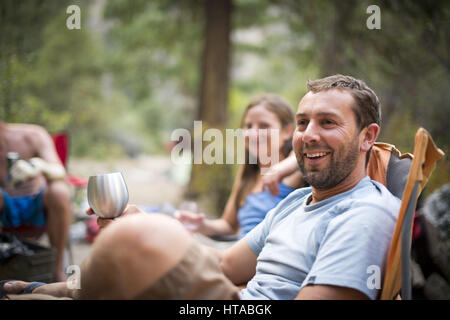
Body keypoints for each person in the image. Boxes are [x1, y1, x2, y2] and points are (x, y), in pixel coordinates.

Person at [2, 74, 401, 300]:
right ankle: (52, 289)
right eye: (302, 123)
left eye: (328, 123)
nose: (308, 135)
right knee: (136, 237)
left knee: (135, 244)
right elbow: (225, 265)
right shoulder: (297, 201)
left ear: (368, 137)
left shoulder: (365, 213)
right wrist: (154, 231)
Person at [174, 94, 305, 239]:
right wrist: (201, 225)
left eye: (264, 126)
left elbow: (304, 154)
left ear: (287, 132)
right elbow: (228, 225)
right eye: (248, 126)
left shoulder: (296, 169)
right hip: (237, 250)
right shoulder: (248, 172)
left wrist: (279, 169)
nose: (253, 133)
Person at [0, 122, 71, 282]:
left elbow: (60, 172)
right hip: (5, 205)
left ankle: (56, 270)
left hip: (36, 204)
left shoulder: (32, 135)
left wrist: (37, 166)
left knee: (59, 191)